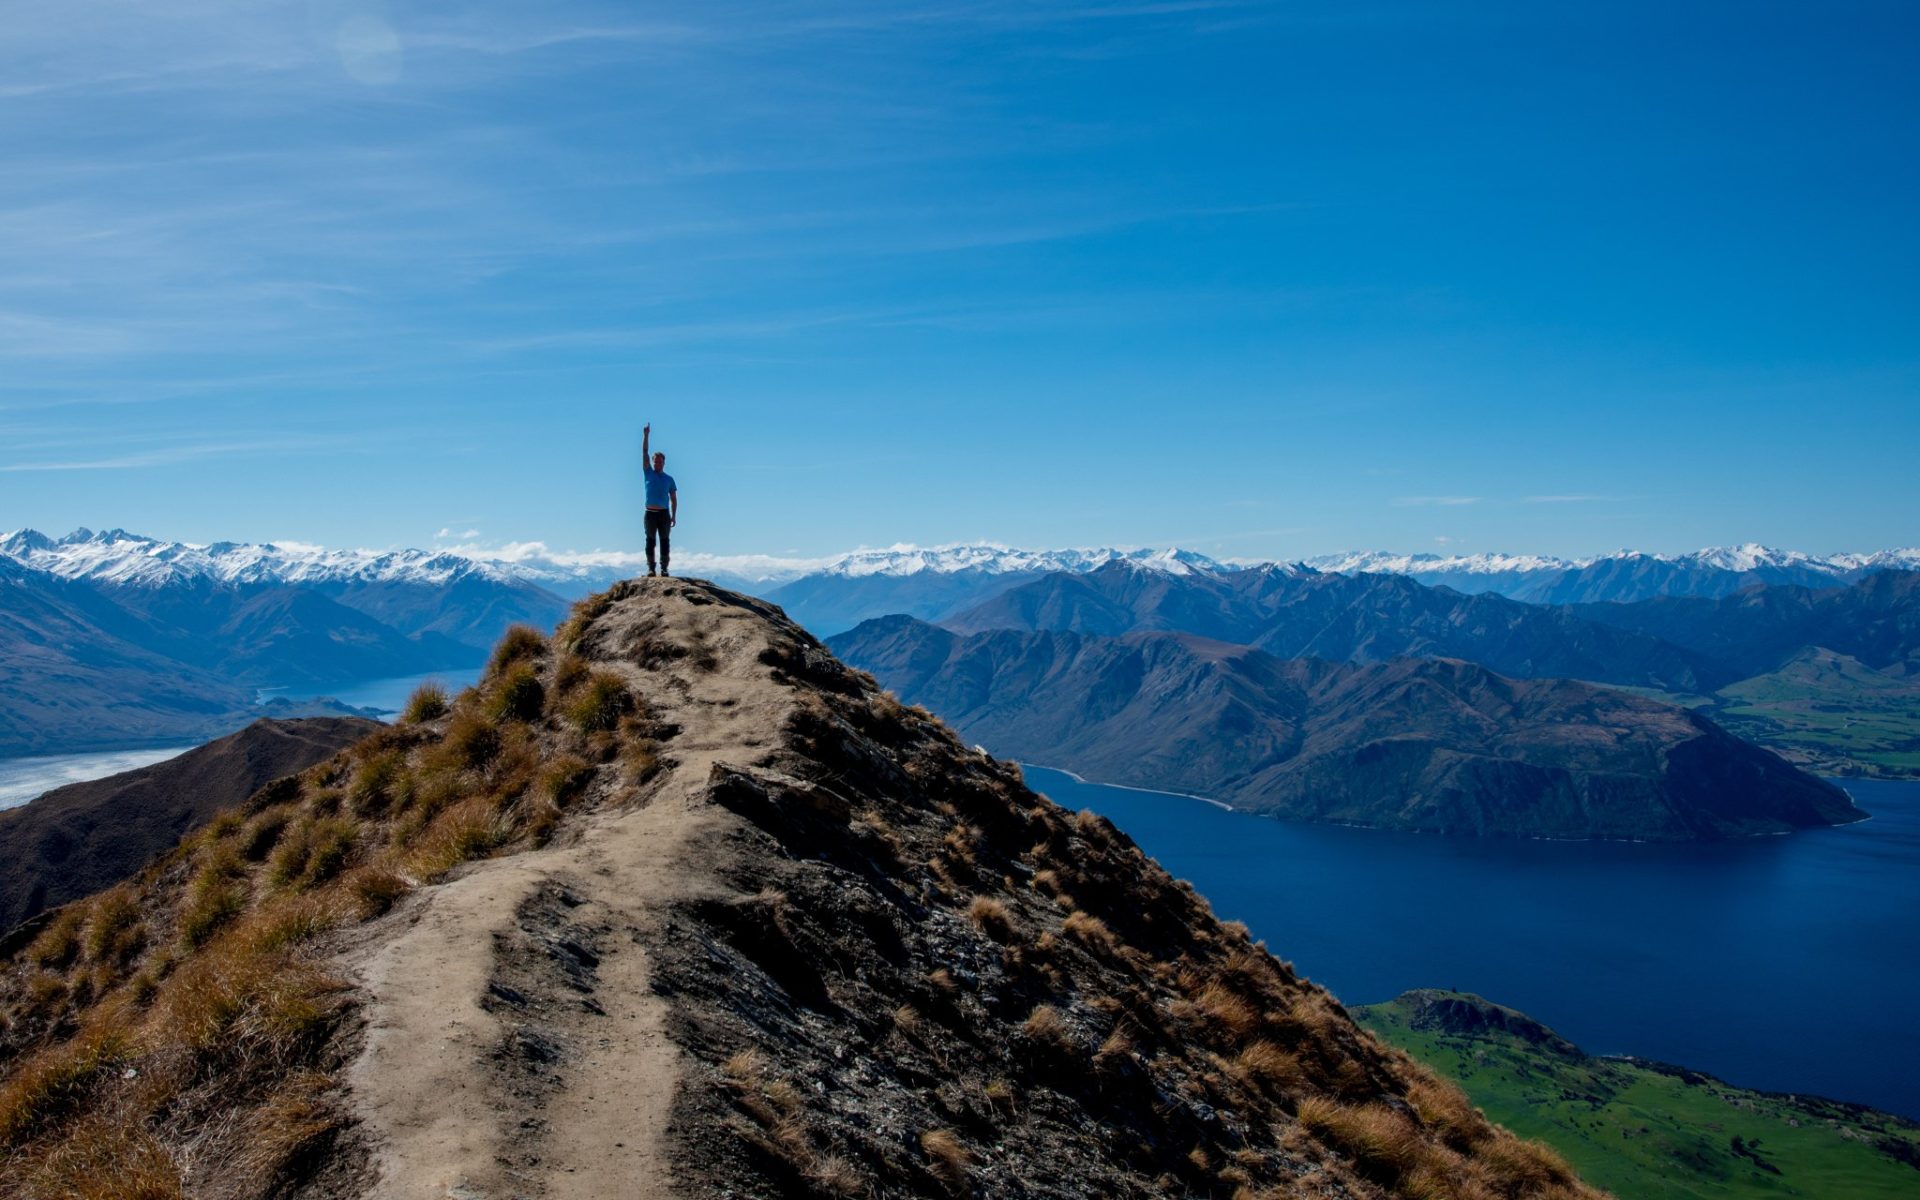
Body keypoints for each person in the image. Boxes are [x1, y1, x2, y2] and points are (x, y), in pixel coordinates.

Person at [641, 423, 678, 577]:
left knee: (664, 541)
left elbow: (674, 499)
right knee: (650, 541)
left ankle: (664, 568)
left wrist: (674, 516)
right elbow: (644, 451)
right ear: (652, 462)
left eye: (660, 461)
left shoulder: (669, 479)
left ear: (664, 463)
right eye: (655, 461)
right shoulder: (648, 472)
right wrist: (646, 435)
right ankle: (651, 568)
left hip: (664, 514)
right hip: (650, 513)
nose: (657, 463)